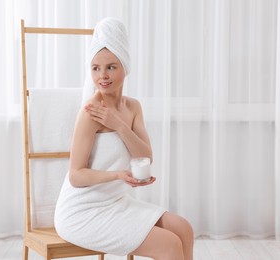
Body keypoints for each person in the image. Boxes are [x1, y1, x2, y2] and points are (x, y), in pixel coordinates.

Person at [54, 17, 194, 260]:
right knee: (169, 245)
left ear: (125, 67)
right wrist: (118, 175)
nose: (102, 76)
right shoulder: (90, 112)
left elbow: (145, 156)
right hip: (82, 212)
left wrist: (119, 125)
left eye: (111, 66)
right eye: (95, 68)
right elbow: (76, 176)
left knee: (183, 228)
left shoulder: (133, 107)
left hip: (116, 202)